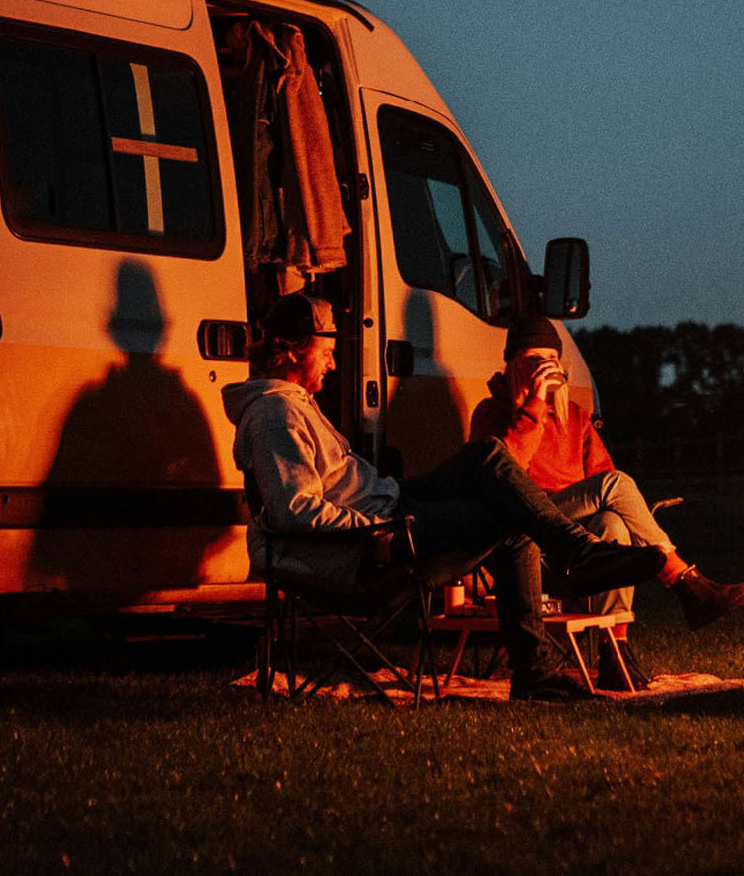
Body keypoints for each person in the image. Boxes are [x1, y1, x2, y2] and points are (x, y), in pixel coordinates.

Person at [224, 294, 668, 701]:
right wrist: (377, 529)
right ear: (293, 350)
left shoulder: (293, 403)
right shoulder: (275, 415)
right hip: (374, 537)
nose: (335, 362)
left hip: (390, 505)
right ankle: (543, 646)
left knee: (487, 456)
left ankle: (577, 558)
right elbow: (295, 510)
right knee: (510, 518)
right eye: (326, 351)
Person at [469, 316, 744, 690]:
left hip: (576, 547)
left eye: (548, 360)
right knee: (615, 484)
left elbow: (606, 484)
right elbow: (505, 480)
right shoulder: (491, 413)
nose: (541, 367)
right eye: (530, 359)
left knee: (613, 523)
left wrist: (549, 405)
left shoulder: (574, 416)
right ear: (511, 365)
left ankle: (614, 651)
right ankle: (685, 581)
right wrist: (532, 407)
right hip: (525, 534)